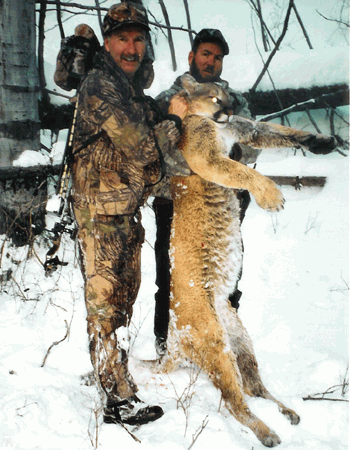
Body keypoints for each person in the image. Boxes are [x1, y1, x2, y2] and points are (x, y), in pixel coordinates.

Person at [70, 2, 188, 426]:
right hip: (98, 216)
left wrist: (160, 115)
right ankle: (118, 400)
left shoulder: (128, 87)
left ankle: (107, 370)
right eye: (123, 38)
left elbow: (141, 126)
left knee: (121, 303)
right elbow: (142, 146)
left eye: (139, 38)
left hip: (123, 211)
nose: (132, 46)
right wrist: (173, 123)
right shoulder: (101, 85)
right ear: (107, 41)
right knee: (105, 307)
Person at [153, 29, 258, 356]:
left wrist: (229, 153)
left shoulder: (236, 101)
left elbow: (252, 145)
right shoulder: (168, 100)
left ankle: (224, 349)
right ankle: (167, 347)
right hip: (175, 202)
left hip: (222, 203)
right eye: (205, 54)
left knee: (225, 280)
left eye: (217, 57)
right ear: (191, 57)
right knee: (170, 280)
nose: (211, 61)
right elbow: (153, 147)